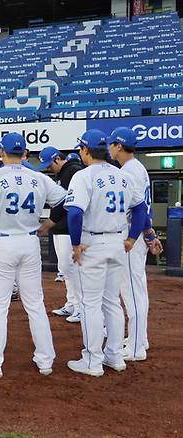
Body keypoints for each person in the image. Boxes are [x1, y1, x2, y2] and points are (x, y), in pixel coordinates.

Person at [0, 133, 66, 379]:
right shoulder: (39, 178)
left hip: (2, 242)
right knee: (35, 305)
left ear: (2, 153)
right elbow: (65, 203)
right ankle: (45, 362)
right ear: (24, 154)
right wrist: (49, 224)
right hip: (30, 241)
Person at [64, 129, 147, 376]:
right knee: (112, 302)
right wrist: (133, 237)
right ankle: (114, 357)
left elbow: (75, 212)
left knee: (91, 304)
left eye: (81, 148)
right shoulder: (122, 175)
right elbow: (141, 208)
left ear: (85, 151)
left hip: (93, 242)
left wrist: (76, 244)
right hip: (118, 242)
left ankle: (92, 361)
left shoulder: (83, 175)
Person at [108, 126, 164, 362]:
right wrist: (150, 235)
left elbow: (139, 211)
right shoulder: (135, 168)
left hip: (132, 237)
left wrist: (140, 237)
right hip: (138, 234)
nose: (109, 147)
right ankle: (139, 339)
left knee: (132, 292)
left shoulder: (129, 171)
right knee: (134, 290)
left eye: (111, 144)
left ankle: (136, 347)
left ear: (118, 146)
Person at [35, 146, 86, 323]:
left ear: (58, 159)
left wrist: (49, 224)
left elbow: (68, 204)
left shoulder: (73, 171)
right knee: (65, 269)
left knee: (72, 269)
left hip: (68, 229)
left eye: (50, 164)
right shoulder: (64, 173)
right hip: (61, 228)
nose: (49, 168)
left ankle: (81, 307)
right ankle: (72, 303)